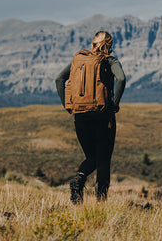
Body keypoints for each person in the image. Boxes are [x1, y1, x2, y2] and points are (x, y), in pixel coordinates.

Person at [55, 31, 126, 203]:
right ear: (108, 45)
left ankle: (79, 179)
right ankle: (101, 203)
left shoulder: (79, 59)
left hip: (80, 116)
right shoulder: (109, 60)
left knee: (92, 157)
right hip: (102, 116)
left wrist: (68, 105)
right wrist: (114, 104)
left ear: (93, 43)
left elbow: (59, 79)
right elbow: (121, 79)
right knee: (103, 160)